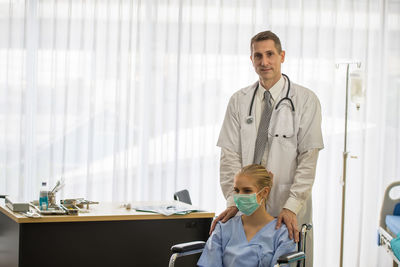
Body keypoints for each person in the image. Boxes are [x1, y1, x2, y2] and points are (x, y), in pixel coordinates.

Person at [211, 30, 324, 266]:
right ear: (251, 60)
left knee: (288, 260)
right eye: (258, 56)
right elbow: (229, 156)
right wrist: (234, 201)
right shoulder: (238, 101)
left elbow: (308, 158)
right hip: (249, 206)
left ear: (282, 56)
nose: (264, 62)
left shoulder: (305, 100)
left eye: (270, 54)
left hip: (287, 205)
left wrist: (292, 205)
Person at [198, 164, 296, 267]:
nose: (240, 196)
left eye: (247, 190)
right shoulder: (223, 228)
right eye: (236, 190)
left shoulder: (282, 233)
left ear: (264, 192)